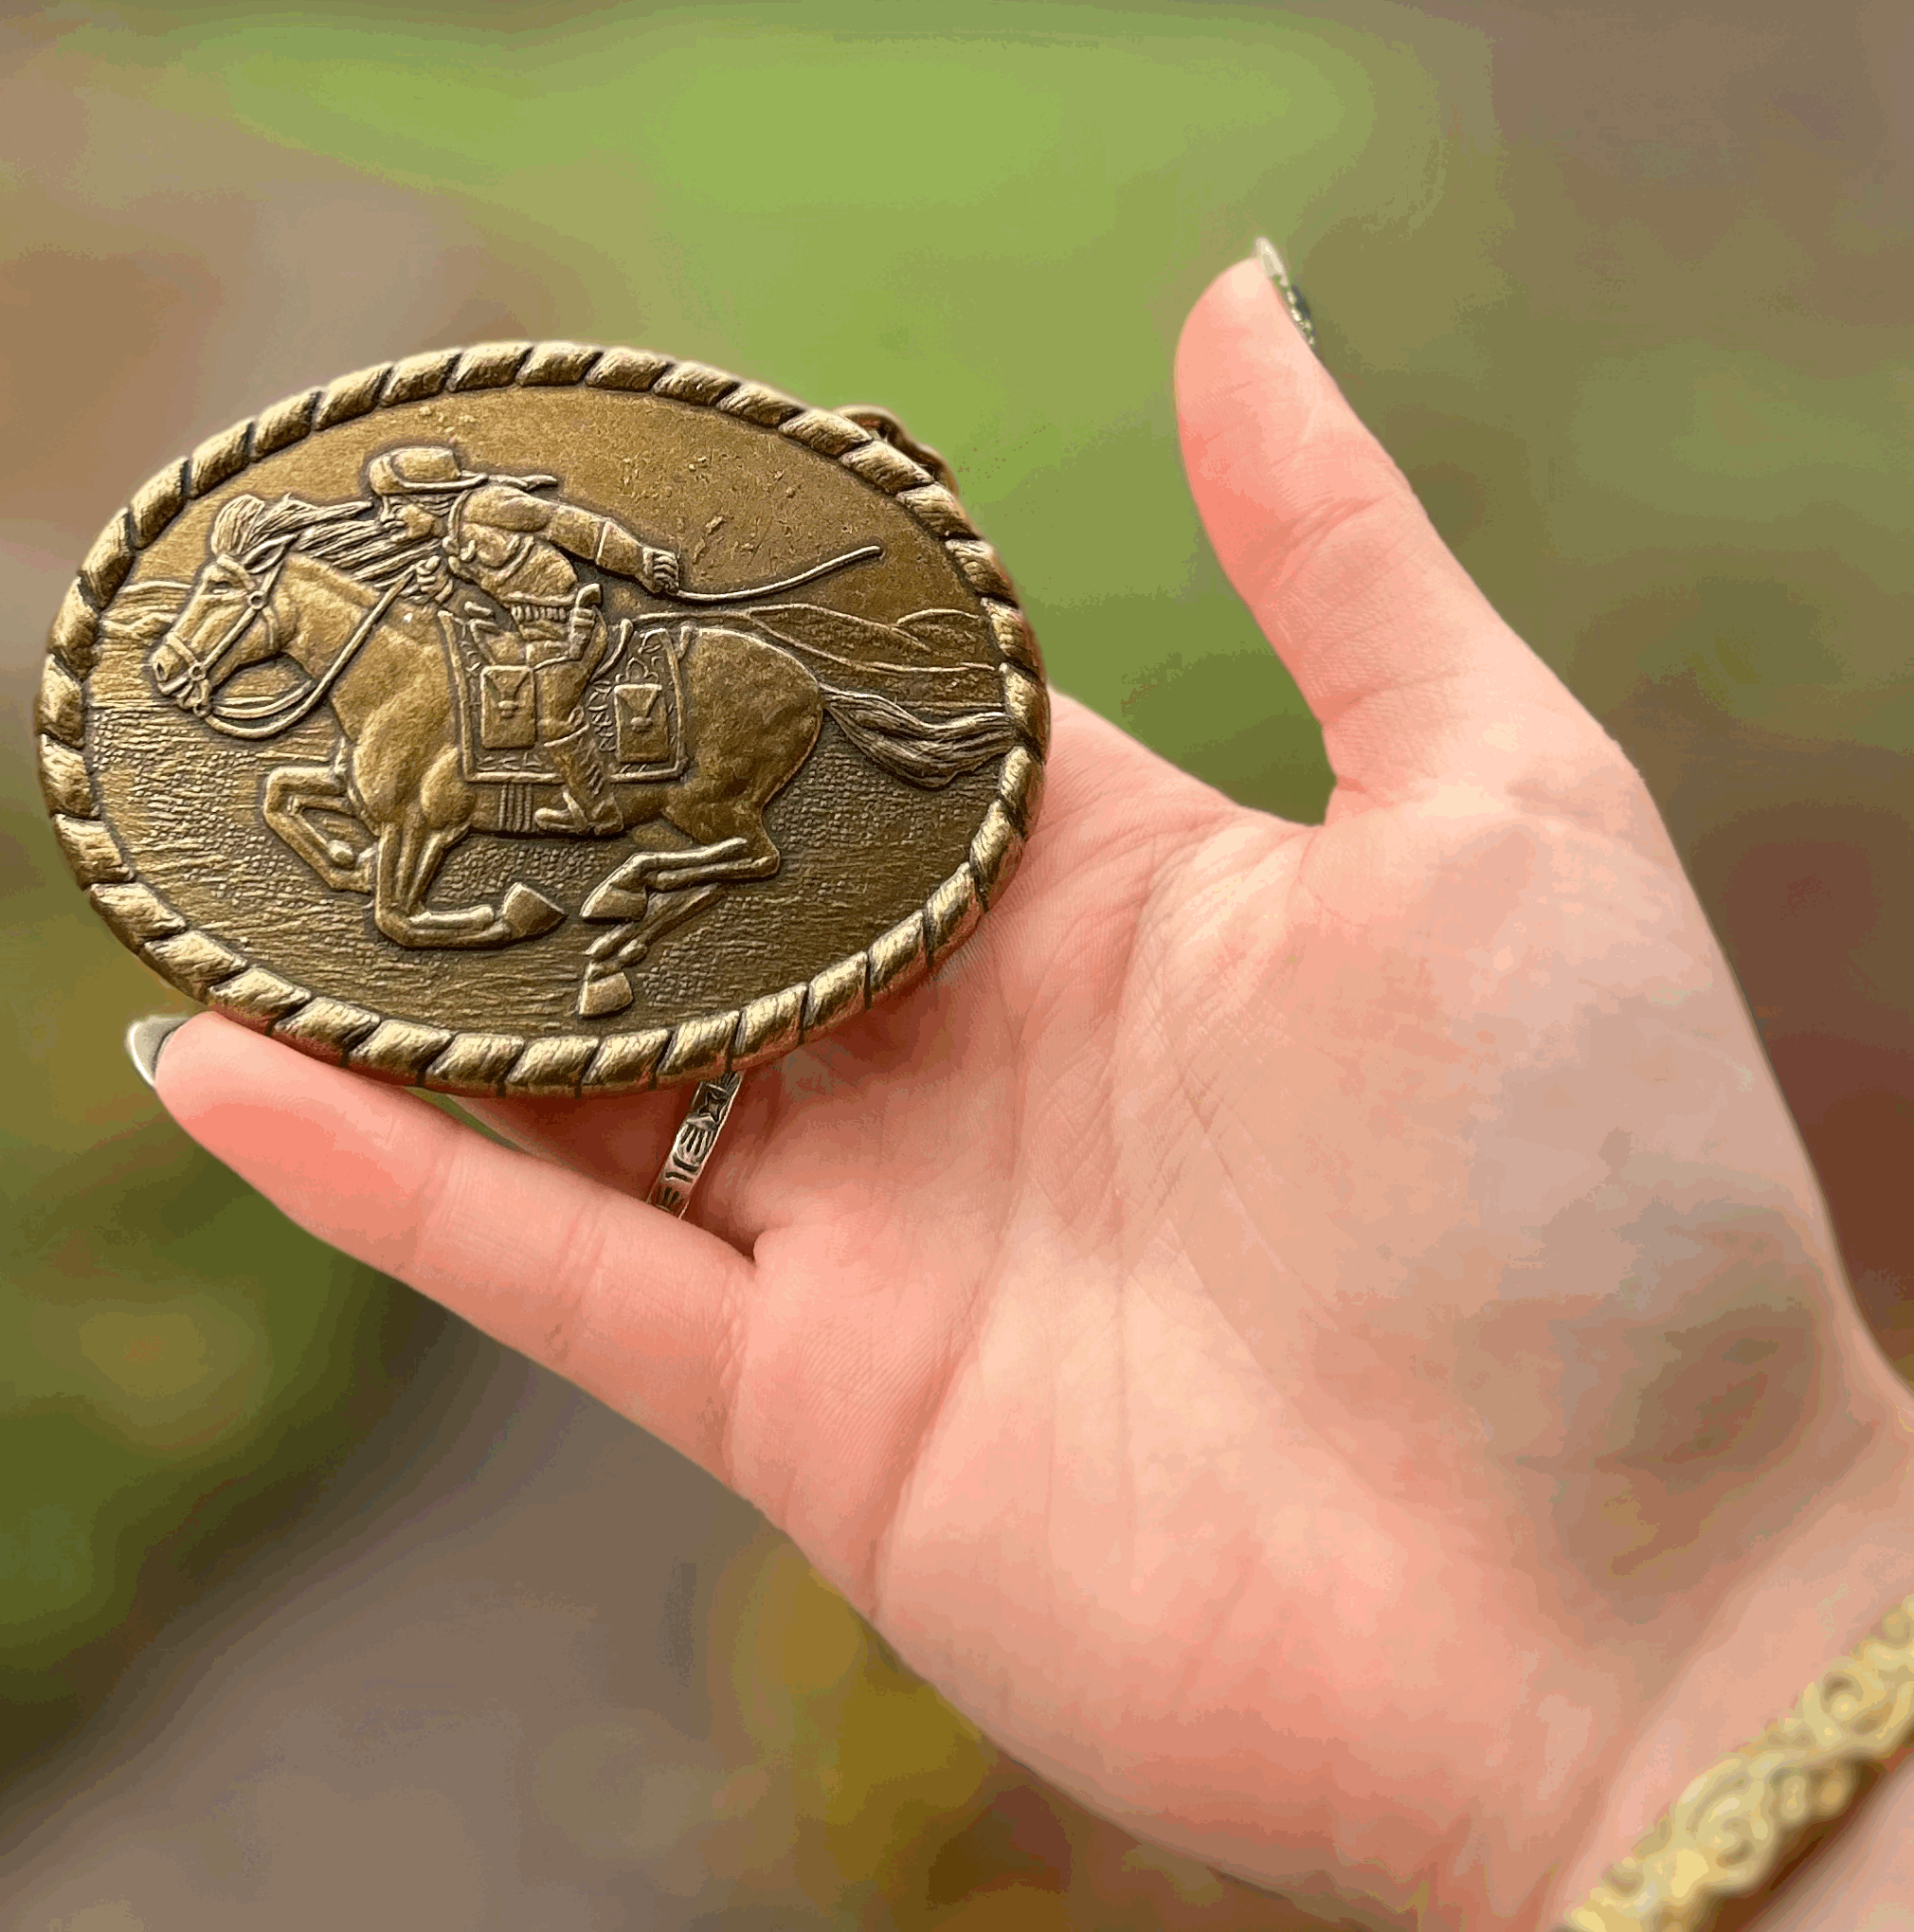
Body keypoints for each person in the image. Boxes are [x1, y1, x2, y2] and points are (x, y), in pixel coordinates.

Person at [146, 259, 1914, 1928]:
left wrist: (1731, 1591)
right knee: (454, 708)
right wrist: (1706, 1660)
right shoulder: (419, 562)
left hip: (608, 665)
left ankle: (588, 865)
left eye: (450, 497)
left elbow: (617, 561)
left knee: (531, 701)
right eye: (437, 504)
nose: (443, 511)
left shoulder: (521, 530)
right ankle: (524, 873)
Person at [364, 442, 683, 835]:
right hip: (526, 636)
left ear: (429, 499)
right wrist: (447, 592)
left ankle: (599, 811)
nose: (385, 518)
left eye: (395, 506)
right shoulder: (452, 544)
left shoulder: (485, 507)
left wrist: (639, 560)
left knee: (552, 717)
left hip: (568, 631)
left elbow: (568, 523)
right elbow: (490, 605)